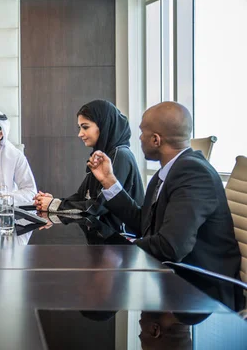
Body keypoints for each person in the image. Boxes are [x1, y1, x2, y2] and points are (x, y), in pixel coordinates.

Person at [87, 101, 242, 310]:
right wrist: (109, 182)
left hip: (201, 294)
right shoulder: (168, 172)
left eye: (142, 132)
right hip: (172, 278)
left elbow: (170, 247)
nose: (139, 138)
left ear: (156, 139)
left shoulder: (194, 174)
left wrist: (116, 252)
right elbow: (144, 225)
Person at [34, 100, 144, 234]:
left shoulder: (119, 155)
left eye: (85, 127)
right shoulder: (104, 155)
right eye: (79, 128)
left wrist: (54, 205)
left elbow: (97, 207)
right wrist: (52, 202)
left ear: (104, 126)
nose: (80, 134)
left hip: (121, 243)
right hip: (104, 238)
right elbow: (83, 198)